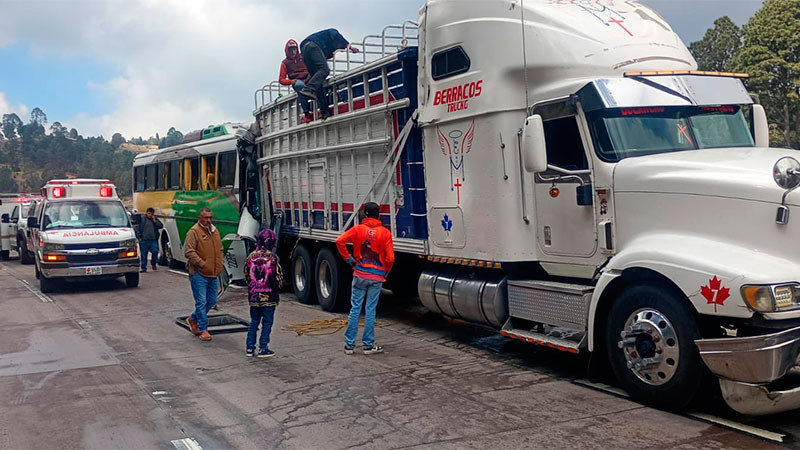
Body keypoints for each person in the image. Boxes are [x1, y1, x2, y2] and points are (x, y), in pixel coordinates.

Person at [335, 202, 394, 355]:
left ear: (365, 215)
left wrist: (349, 260)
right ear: (378, 215)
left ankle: (349, 345)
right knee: (370, 310)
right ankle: (368, 345)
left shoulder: (358, 230)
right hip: (376, 277)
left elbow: (339, 241)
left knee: (355, 308)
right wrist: (385, 272)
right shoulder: (385, 233)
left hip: (359, 274)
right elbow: (390, 258)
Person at [299, 28, 359, 120]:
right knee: (325, 70)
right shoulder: (331, 35)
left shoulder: (328, 48)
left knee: (319, 83)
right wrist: (349, 46)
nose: (339, 47)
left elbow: (318, 63)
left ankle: (324, 112)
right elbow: (334, 33)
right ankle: (309, 89)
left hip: (304, 50)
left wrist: (312, 78)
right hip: (311, 46)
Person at [184, 207, 224, 342]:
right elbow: (189, 251)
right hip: (198, 273)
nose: (208, 220)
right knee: (201, 302)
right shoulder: (194, 232)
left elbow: (220, 249)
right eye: (206, 217)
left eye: (210, 217)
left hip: (213, 273)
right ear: (199, 218)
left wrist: (220, 263)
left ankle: (193, 318)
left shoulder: (215, 231)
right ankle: (203, 329)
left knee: (212, 300)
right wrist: (202, 263)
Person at [244, 229, 284, 358]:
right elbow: (279, 277)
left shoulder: (250, 257)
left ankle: (250, 348)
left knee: (254, 321)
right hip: (269, 296)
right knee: (267, 322)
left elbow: (246, 275)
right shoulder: (273, 258)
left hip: (254, 296)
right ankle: (263, 348)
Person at [279, 39, 313, 124]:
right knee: (300, 87)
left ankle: (322, 107)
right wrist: (291, 81)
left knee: (318, 82)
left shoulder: (303, 57)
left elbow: (312, 65)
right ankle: (307, 113)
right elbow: (281, 79)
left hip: (308, 78)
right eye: (290, 49)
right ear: (287, 50)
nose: (292, 52)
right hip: (298, 81)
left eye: (294, 49)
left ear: (297, 49)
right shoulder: (284, 63)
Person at [135, 207, 163, 273]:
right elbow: (137, 227)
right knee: (144, 255)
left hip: (153, 240)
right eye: (149, 213)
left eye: (151, 214)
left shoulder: (155, 220)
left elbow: (161, 226)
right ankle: (143, 267)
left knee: (155, 251)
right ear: (146, 213)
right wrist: (139, 236)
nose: (150, 215)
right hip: (144, 240)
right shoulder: (142, 219)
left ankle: (153, 263)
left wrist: (155, 221)